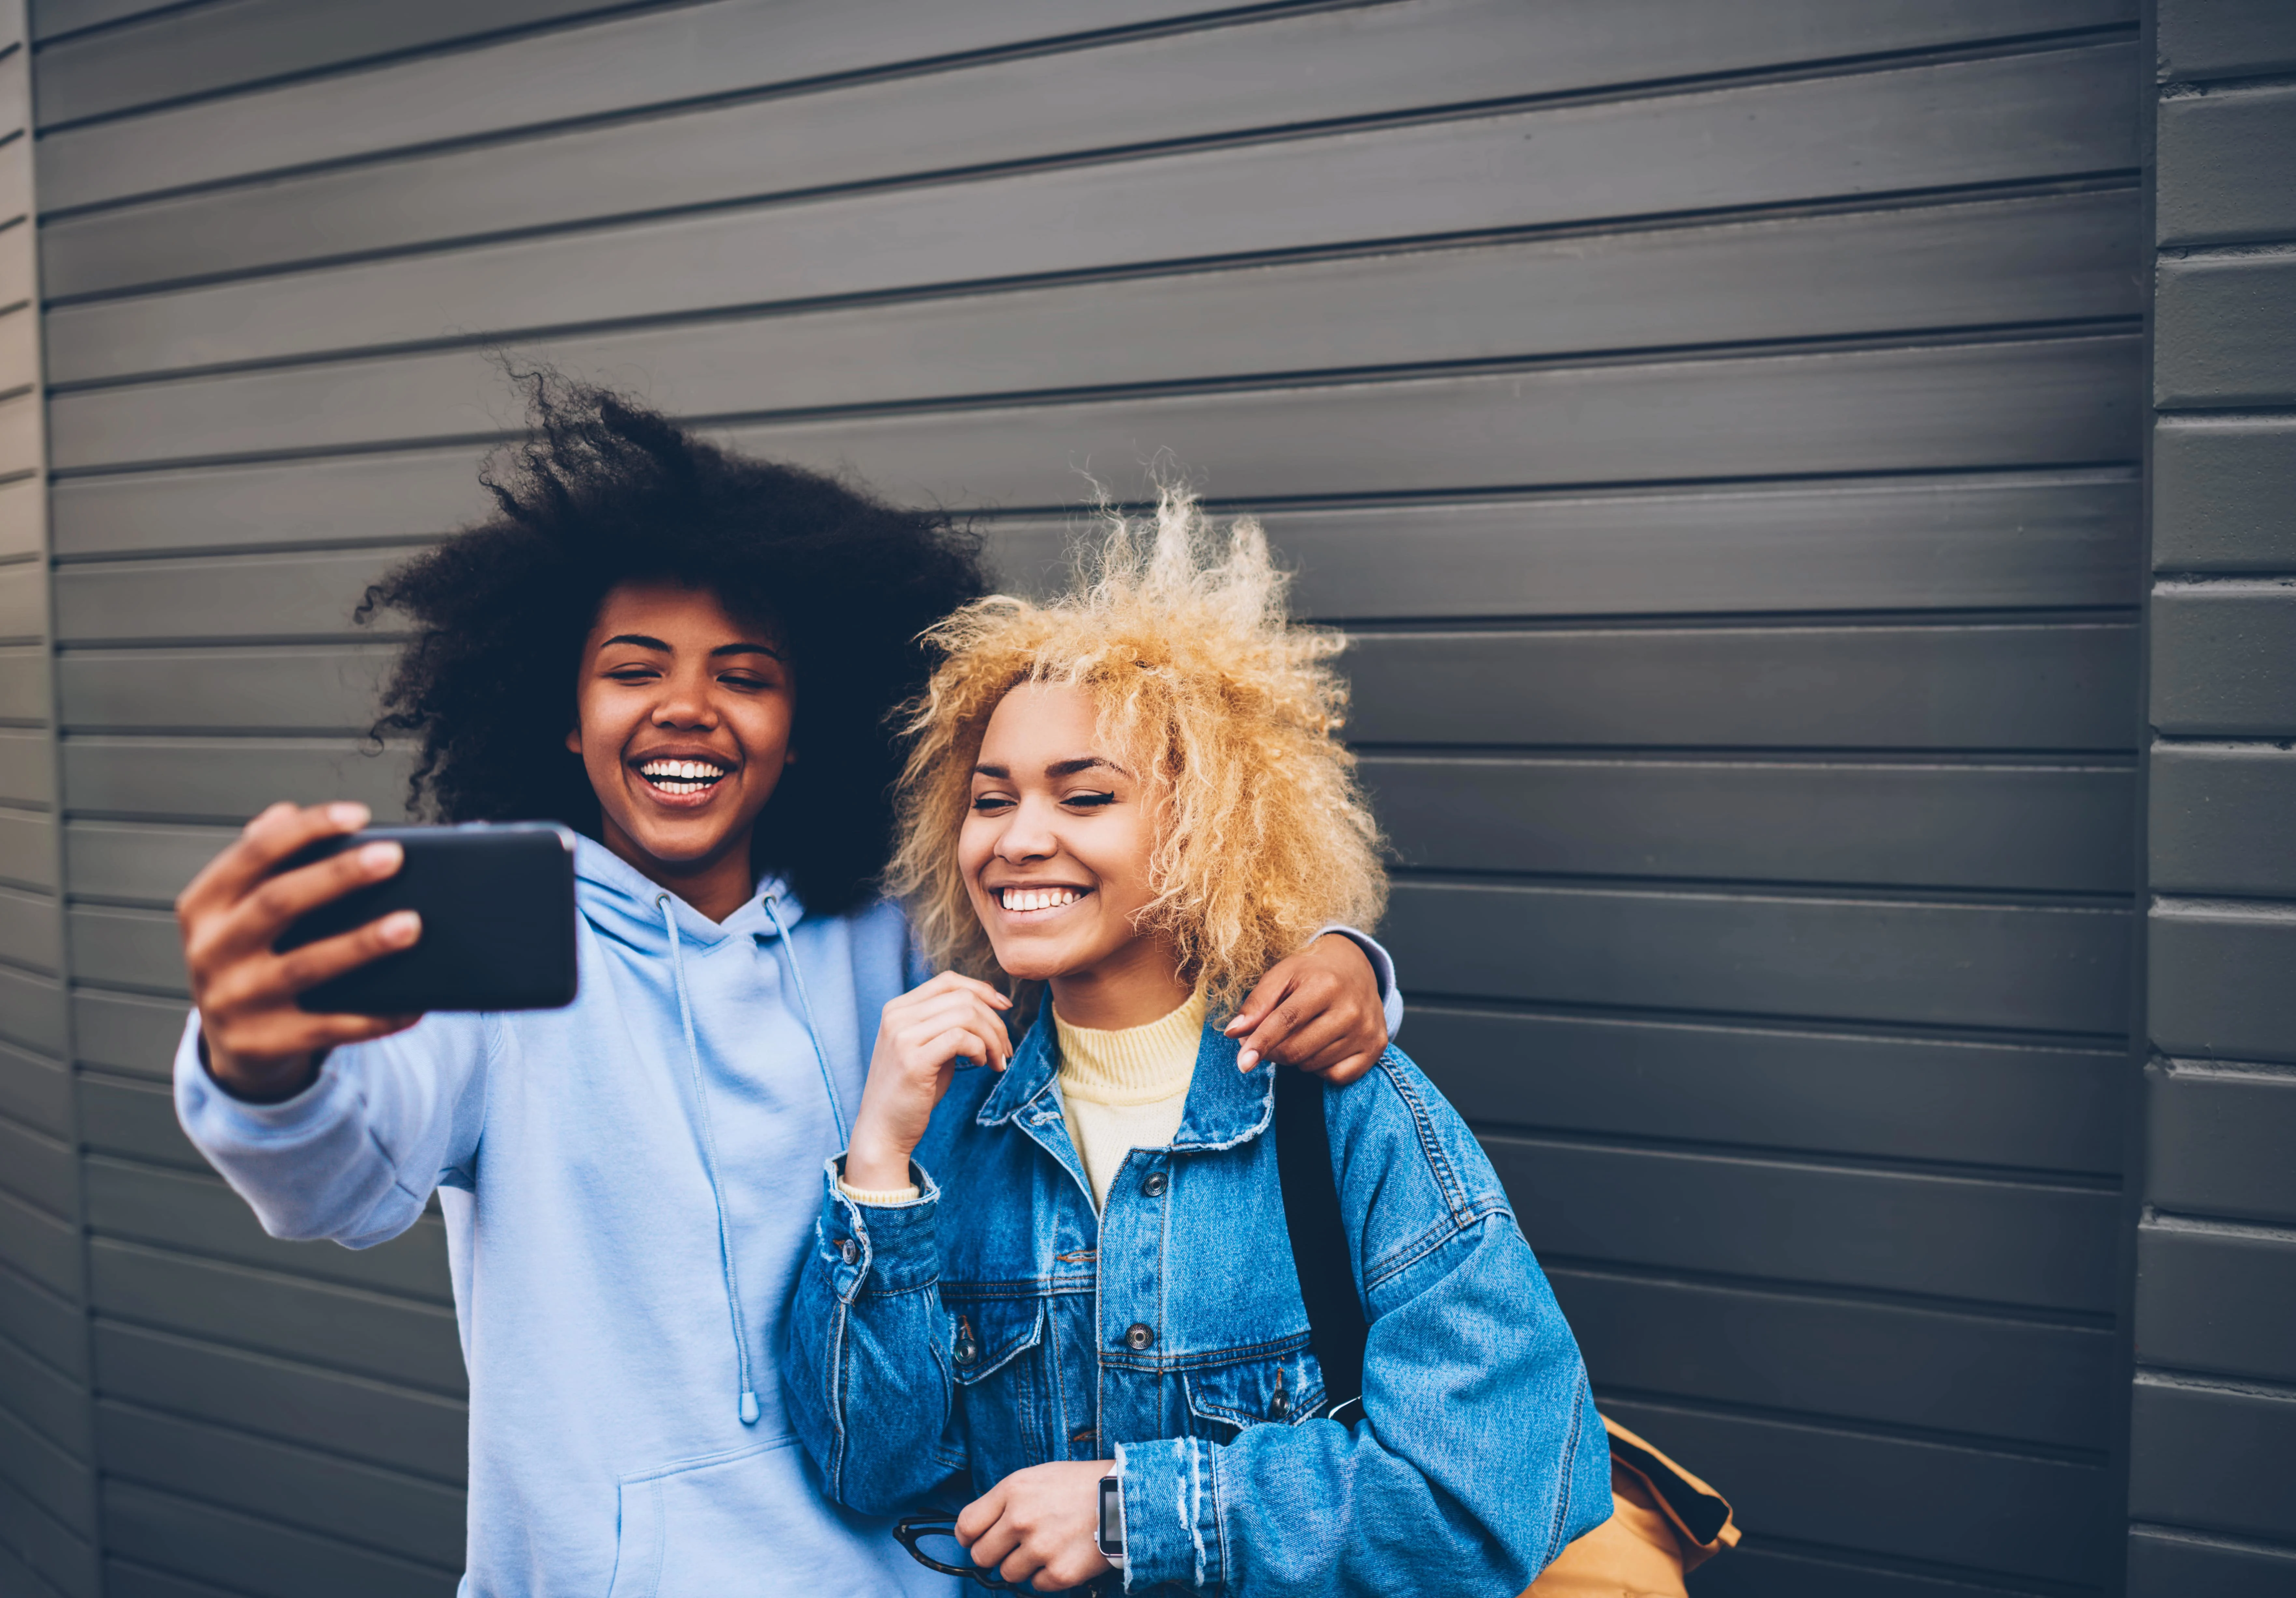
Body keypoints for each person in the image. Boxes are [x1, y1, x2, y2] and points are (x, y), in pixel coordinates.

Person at [169, 385, 1400, 1597]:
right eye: (633, 669)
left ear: (804, 725)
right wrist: (257, 1063)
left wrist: (1341, 958)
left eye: (744, 675)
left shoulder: (904, 926)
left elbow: (1136, 955)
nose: (688, 708)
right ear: (566, 714)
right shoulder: (505, 953)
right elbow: (337, 1176)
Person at [786, 491, 1610, 1594]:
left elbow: (1486, 1497)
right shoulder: (952, 1123)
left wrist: (1141, 1512)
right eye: (991, 800)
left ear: (1212, 824)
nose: (1021, 838)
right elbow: (866, 1470)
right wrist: (880, 1163)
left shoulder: (1348, 1108)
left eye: (1084, 796)